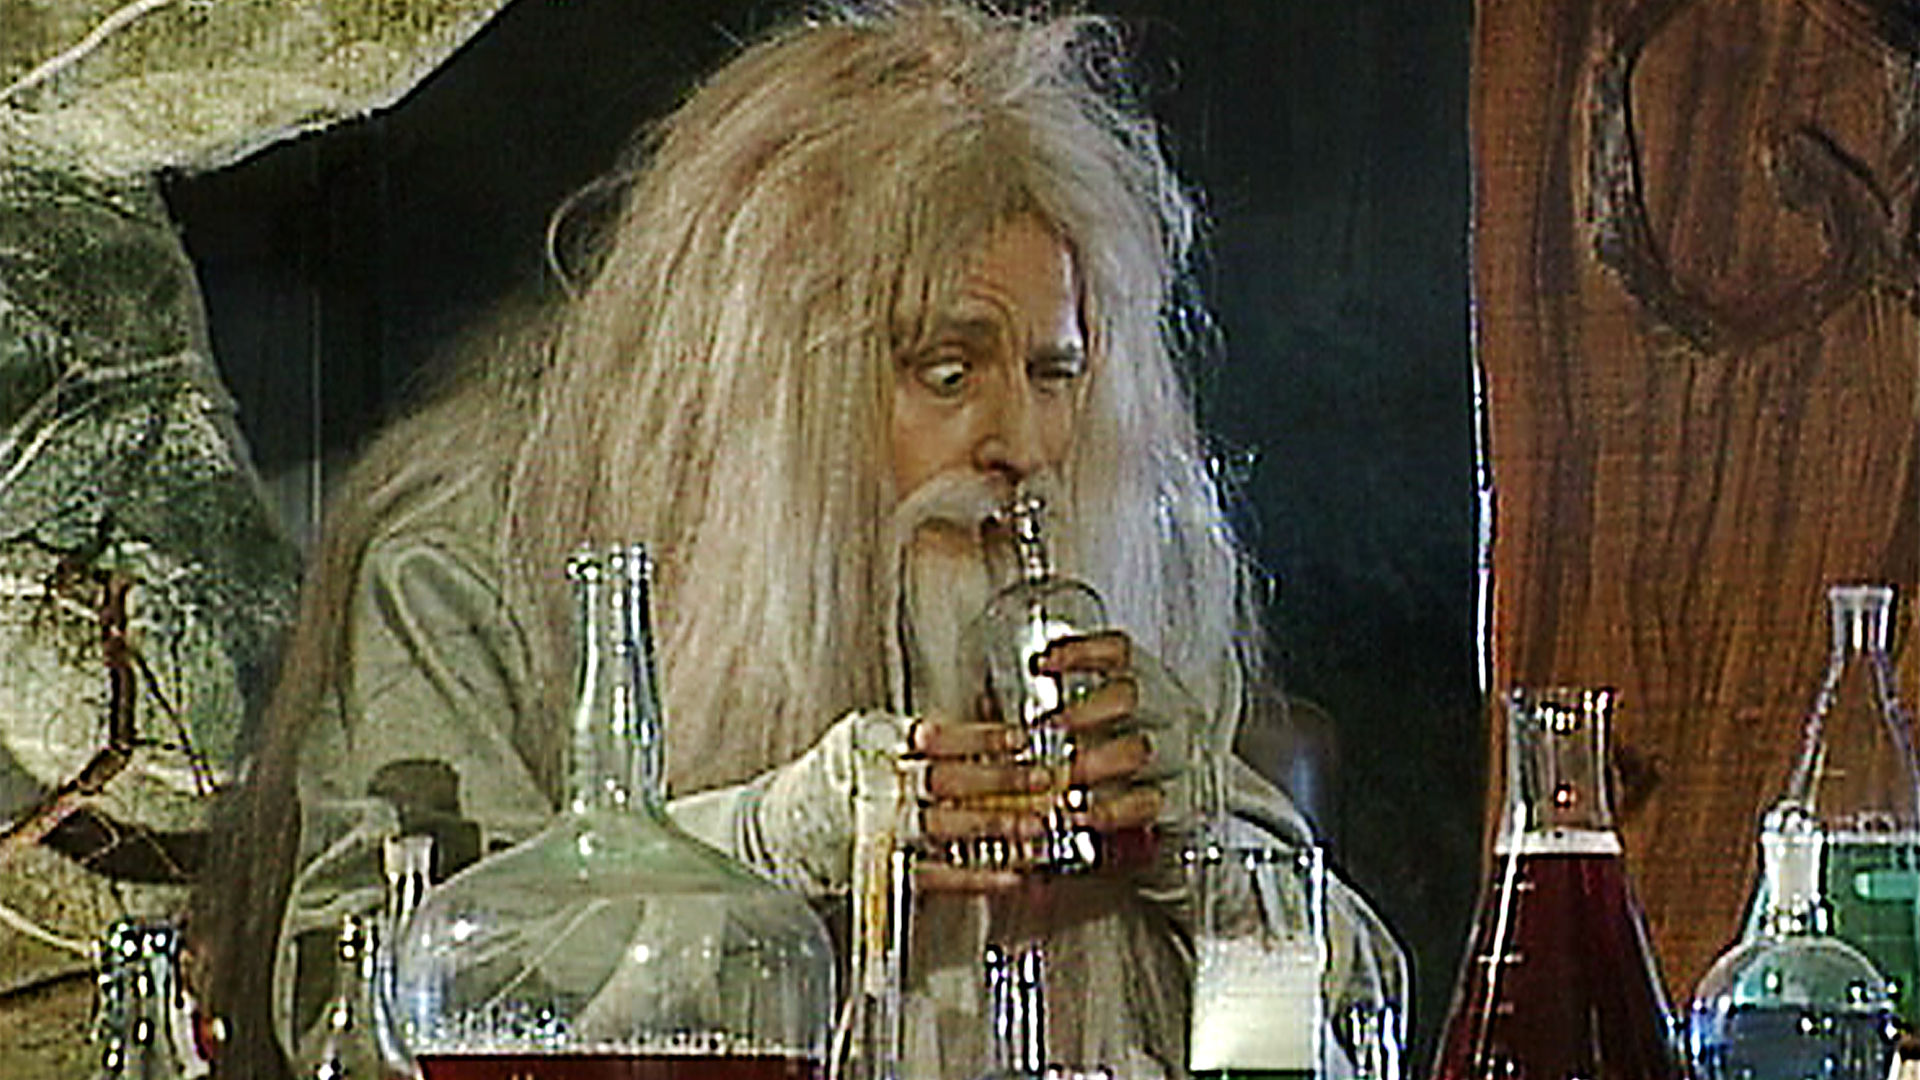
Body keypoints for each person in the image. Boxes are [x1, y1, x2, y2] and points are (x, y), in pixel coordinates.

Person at [195, 2, 1406, 1077]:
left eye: (1055, 373)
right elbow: (353, 1022)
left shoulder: (1096, 583)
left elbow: (1365, 1038)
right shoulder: (475, 554)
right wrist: (755, 855)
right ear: (778, 383)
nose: (1025, 444)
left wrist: (1206, 846)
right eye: (948, 371)